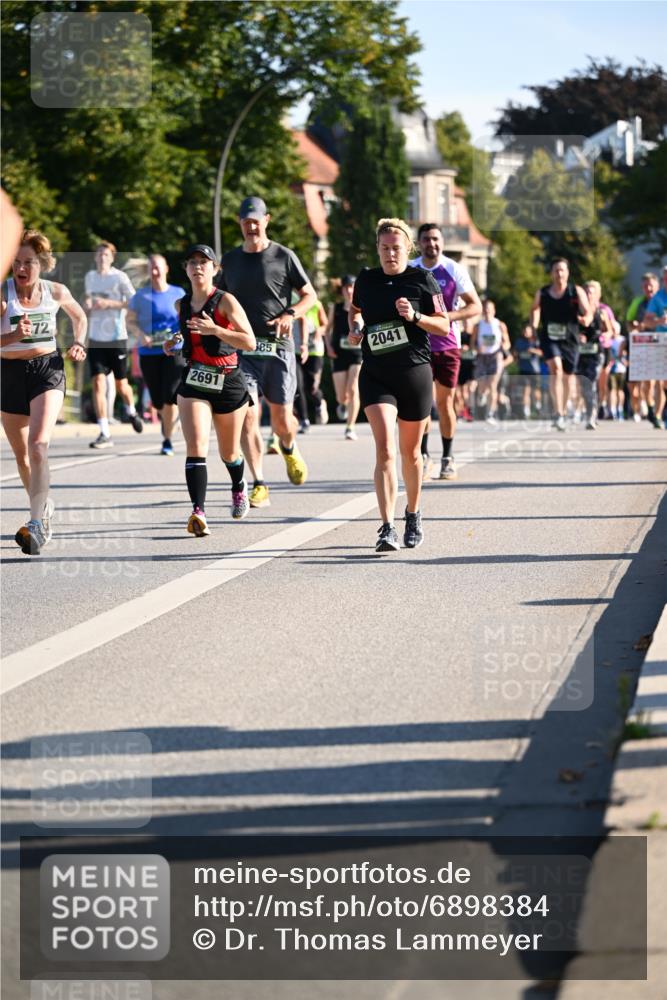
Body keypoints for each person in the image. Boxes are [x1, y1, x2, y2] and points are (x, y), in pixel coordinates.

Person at [348, 217, 450, 552]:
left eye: (396, 248)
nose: (390, 253)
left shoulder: (423, 280)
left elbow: (443, 327)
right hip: (377, 373)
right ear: (377, 248)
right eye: (384, 248)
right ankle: (387, 526)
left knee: (411, 454)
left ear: (408, 248)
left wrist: (415, 317)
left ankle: (413, 513)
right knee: (386, 450)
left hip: (414, 374)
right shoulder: (366, 279)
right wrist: (357, 327)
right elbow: (356, 311)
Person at [217, 196, 316, 507]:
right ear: (240, 223)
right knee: (247, 414)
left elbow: (309, 296)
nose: (251, 225)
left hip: (278, 348)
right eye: (246, 221)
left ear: (267, 220)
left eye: (256, 220)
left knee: (282, 419)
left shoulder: (283, 256)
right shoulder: (230, 260)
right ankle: (259, 481)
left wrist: (290, 314)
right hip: (243, 348)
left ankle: (288, 446)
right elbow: (216, 297)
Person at [1, 229, 87, 554]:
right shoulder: (3, 294)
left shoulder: (56, 292)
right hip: (8, 374)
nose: (21, 269)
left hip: (46, 370)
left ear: (42, 264)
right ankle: (43, 508)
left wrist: (79, 343)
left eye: (29, 262)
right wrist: (11, 337)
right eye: (16, 262)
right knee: (23, 457)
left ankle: (36, 524)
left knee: (38, 447)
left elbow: (80, 317)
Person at [163, 245, 256, 536]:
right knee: (197, 445)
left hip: (227, 379)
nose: (197, 267)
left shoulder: (226, 301)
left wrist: (216, 330)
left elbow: (249, 341)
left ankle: (239, 486)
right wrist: (173, 342)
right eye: (192, 262)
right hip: (195, 380)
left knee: (229, 452)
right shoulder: (181, 304)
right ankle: (198, 512)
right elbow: (184, 335)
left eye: (204, 262)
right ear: (186, 269)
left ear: (214, 269)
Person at [410, 223, 481, 480]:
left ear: (442, 242)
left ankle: (448, 457)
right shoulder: (411, 269)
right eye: (427, 239)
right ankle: (425, 456)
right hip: (418, 345)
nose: (432, 244)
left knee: (444, 402)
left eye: (436, 239)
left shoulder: (453, 269)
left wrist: (448, 317)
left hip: (448, 344)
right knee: (422, 403)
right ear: (419, 243)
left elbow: (476, 306)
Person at [126, 254, 185, 455]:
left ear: (166, 268)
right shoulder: (141, 296)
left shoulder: (178, 293)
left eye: (158, 267)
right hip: (149, 351)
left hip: (174, 351)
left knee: (170, 395)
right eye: (151, 268)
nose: (154, 271)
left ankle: (167, 440)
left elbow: (186, 319)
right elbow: (129, 321)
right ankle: (168, 420)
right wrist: (140, 335)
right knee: (158, 400)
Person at [84, 241, 141, 448]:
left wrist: (110, 304)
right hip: (96, 337)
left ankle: (132, 411)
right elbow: (89, 299)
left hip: (117, 337)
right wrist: (88, 304)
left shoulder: (120, 277)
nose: (102, 258)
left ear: (112, 258)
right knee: (98, 383)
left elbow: (134, 302)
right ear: (95, 258)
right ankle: (104, 432)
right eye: (99, 255)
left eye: (106, 255)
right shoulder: (90, 277)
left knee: (121, 385)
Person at [530, 258, 591, 431]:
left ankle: (563, 411)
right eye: (556, 270)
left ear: (567, 272)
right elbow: (534, 309)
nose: (559, 274)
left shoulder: (575, 291)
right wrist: (533, 325)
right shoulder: (542, 293)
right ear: (551, 273)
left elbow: (588, 312)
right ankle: (557, 412)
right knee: (555, 369)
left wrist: (585, 319)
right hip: (549, 337)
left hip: (570, 339)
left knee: (568, 376)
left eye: (562, 270)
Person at [325, 275, 362, 441]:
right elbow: (326, 331)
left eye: (352, 287)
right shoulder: (336, 308)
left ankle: (350, 427)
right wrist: (329, 347)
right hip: (339, 354)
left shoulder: (363, 307)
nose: (349, 290)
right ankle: (342, 404)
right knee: (342, 396)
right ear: (342, 290)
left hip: (357, 354)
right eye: (346, 287)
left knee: (353, 389)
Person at [575, 283, 612, 430]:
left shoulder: (601, 312)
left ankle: (591, 415)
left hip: (597, 353)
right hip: (581, 353)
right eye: (587, 293)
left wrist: (602, 335)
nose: (589, 295)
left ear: (597, 295)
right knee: (584, 385)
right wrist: (578, 336)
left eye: (592, 293)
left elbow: (610, 331)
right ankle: (591, 412)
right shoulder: (578, 312)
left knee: (590, 382)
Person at [626, 272, 659, 423]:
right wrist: (634, 328)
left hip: (661, 343)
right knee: (646, 380)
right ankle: (650, 408)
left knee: (655, 381)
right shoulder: (637, 302)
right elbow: (628, 321)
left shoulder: (661, 301)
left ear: (657, 286)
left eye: (651, 285)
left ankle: (655, 411)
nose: (648, 288)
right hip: (643, 345)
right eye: (645, 286)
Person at [471, 299, 510, 426]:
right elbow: (472, 344)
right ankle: (482, 394)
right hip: (482, 357)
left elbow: (507, 343)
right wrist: (477, 348)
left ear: (494, 311)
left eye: (489, 309)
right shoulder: (478, 326)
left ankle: (490, 414)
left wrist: (503, 345)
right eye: (485, 309)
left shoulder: (500, 325)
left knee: (493, 385)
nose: (487, 311)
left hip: (495, 356)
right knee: (482, 385)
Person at [294, 297, 328, 432]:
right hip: (296, 349)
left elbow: (325, 324)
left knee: (312, 387)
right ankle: (304, 420)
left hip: (314, 350)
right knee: (297, 385)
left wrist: (320, 330)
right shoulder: (291, 303)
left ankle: (319, 402)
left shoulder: (316, 304)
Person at [643, 264, 667, 429]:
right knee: (659, 381)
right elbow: (647, 321)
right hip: (662, 342)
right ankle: (658, 415)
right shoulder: (658, 298)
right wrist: (659, 321)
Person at [512, 323, 542, 419]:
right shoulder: (519, 341)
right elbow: (515, 352)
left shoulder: (535, 341)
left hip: (534, 370)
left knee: (535, 391)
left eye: (528, 331)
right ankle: (526, 410)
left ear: (531, 332)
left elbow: (542, 353)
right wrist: (516, 357)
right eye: (524, 331)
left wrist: (533, 350)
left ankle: (537, 405)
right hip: (523, 369)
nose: (526, 333)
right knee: (526, 390)